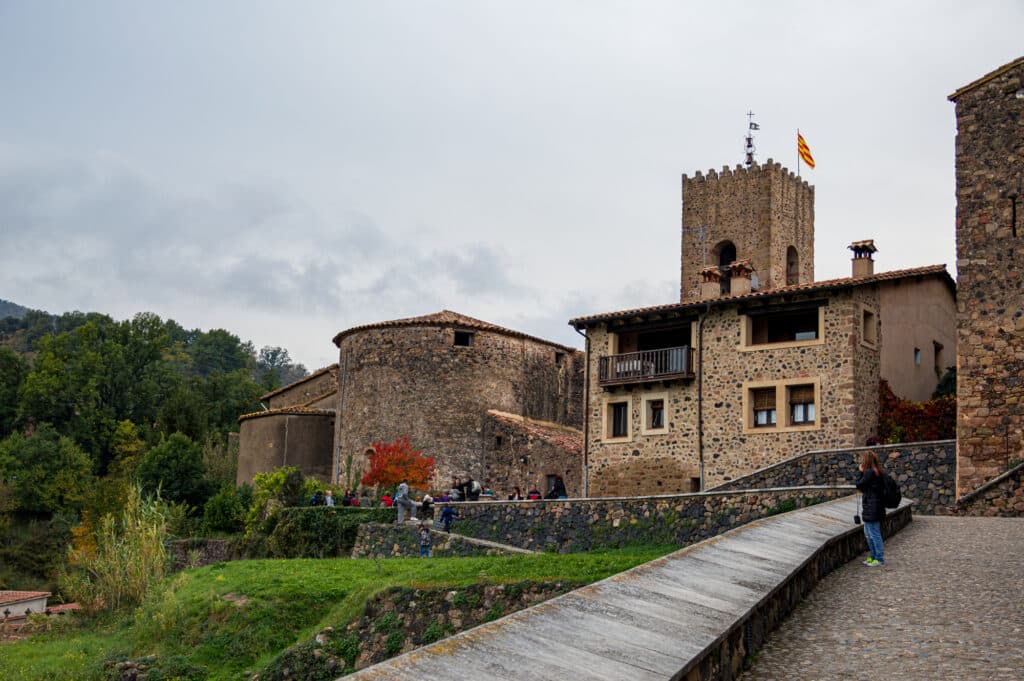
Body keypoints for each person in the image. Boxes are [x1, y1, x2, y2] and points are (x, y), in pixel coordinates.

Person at [856, 450, 886, 567]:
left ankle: (878, 558)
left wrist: (860, 472)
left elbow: (859, 484)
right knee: (869, 533)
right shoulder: (877, 472)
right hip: (875, 506)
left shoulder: (869, 473)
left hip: (872, 507)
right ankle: (874, 557)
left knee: (873, 533)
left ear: (866, 460)